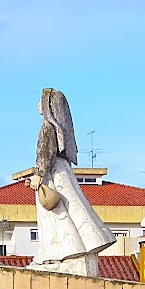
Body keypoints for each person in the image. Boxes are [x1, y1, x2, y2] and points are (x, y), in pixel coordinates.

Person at [25, 88, 115, 276]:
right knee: (72, 210)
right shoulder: (59, 130)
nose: (37, 106)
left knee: (55, 216)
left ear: (48, 106)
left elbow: (44, 154)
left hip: (52, 175)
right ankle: (71, 250)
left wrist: (38, 175)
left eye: (40, 102)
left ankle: (57, 253)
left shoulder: (47, 127)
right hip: (61, 171)